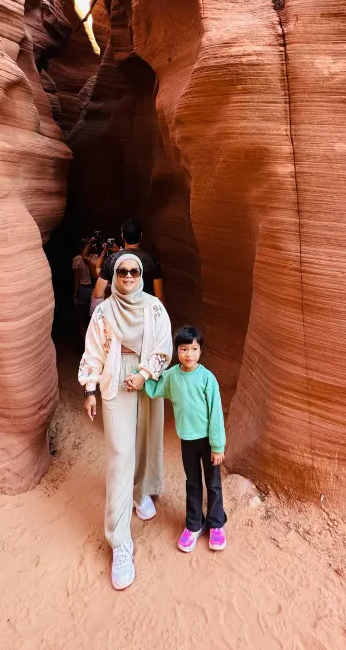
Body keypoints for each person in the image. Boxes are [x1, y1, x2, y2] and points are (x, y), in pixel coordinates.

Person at [79, 253, 172, 590]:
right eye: (122, 271)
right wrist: (89, 389)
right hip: (115, 377)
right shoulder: (104, 311)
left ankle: (140, 490)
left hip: (147, 379)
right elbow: (93, 351)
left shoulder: (153, 308)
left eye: (134, 271)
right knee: (120, 452)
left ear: (141, 274)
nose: (129, 276)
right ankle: (120, 541)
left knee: (146, 438)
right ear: (115, 275)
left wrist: (145, 374)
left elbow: (163, 346)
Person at [133, 326, 227, 553]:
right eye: (184, 349)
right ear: (177, 351)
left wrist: (218, 446)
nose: (189, 354)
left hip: (208, 441)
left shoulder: (207, 378)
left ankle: (216, 524)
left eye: (194, 349)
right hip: (187, 440)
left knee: (213, 483)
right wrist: (140, 375)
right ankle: (194, 524)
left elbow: (216, 414)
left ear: (201, 350)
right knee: (192, 483)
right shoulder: (172, 376)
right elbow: (154, 388)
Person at [93, 219, 163, 304]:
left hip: (119, 312)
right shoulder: (152, 260)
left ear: (122, 236)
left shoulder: (112, 259)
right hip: (143, 312)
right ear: (141, 236)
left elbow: (98, 294)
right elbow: (159, 296)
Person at [72, 241, 92, 342]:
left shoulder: (77, 259)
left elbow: (77, 278)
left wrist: (75, 294)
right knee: (91, 318)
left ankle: (84, 344)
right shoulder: (94, 258)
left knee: (82, 319)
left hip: (83, 289)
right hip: (93, 289)